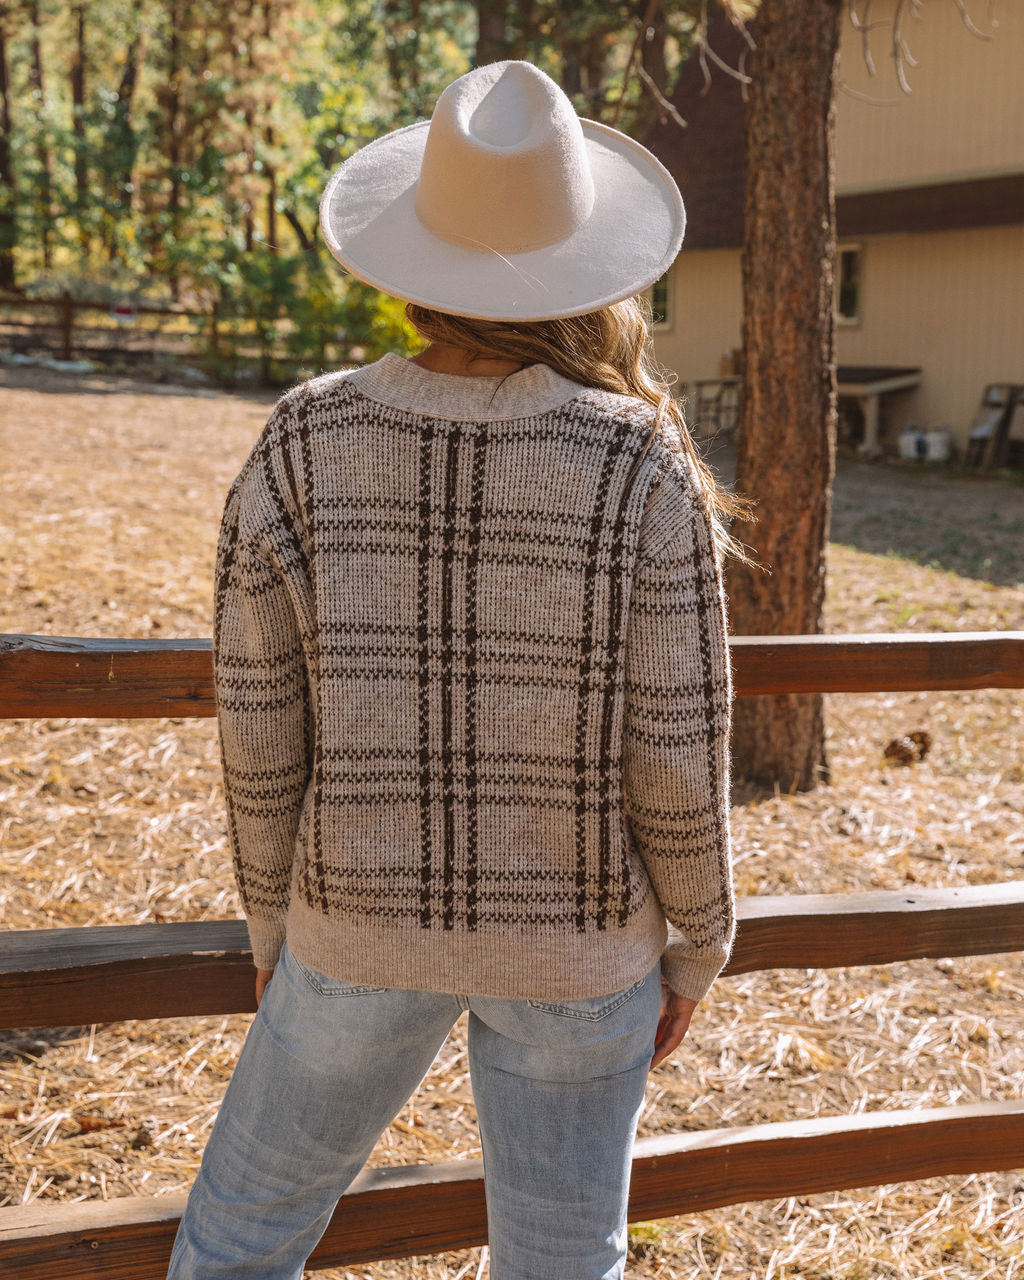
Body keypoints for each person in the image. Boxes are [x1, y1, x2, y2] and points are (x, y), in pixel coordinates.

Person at [167, 59, 746, 1280]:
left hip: (353, 925)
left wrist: (275, 920)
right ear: (591, 268)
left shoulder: (306, 436)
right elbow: (678, 749)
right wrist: (697, 939)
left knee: (237, 1235)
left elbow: (259, 725)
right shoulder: (641, 461)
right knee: (561, 1257)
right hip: (582, 945)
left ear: (418, 256)